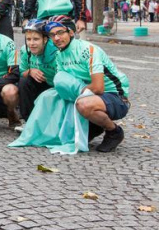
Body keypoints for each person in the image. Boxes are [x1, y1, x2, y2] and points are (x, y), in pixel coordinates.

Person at [45, 15, 130, 152]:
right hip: (91, 95)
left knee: (83, 105)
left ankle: (114, 132)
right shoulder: (59, 55)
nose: (56, 38)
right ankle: (94, 126)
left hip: (115, 96)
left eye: (60, 32)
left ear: (71, 32)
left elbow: (98, 87)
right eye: (52, 35)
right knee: (51, 95)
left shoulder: (87, 50)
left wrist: (79, 93)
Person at [17, 19, 58, 127]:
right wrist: (30, 71)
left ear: (45, 39)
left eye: (36, 39)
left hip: (56, 88)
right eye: (28, 39)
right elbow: (21, 71)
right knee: (23, 81)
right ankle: (28, 121)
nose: (31, 43)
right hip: (38, 86)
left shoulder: (56, 52)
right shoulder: (25, 51)